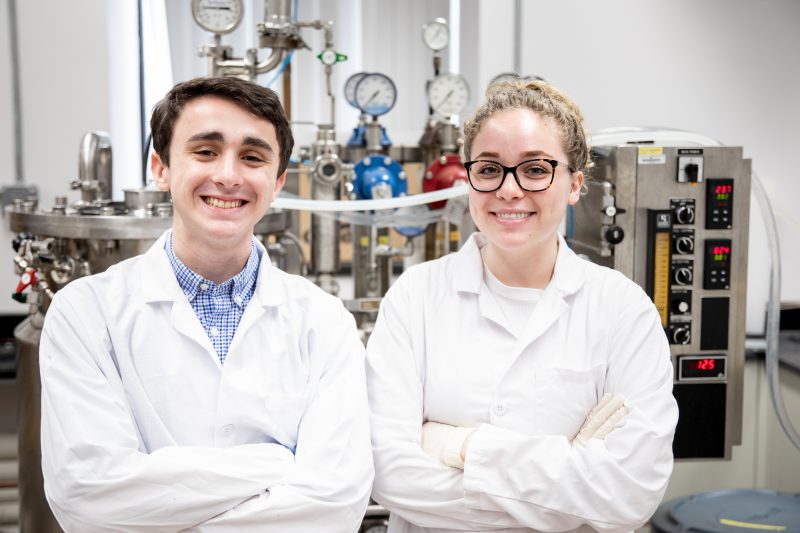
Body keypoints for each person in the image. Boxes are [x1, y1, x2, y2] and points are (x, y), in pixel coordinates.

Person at [39, 76, 373, 532]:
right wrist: (276, 463)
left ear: (276, 183)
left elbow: (336, 502)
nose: (229, 175)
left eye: (252, 157)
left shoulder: (324, 321)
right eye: (205, 151)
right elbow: (88, 495)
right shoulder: (84, 312)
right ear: (160, 168)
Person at [365, 79, 678, 532]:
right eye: (489, 169)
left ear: (574, 184)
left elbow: (628, 495)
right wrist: (568, 469)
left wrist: (459, 447)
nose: (509, 190)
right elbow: (387, 472)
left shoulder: (622, 311)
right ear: (469, 178)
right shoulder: (415, 297)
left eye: (535, 169)